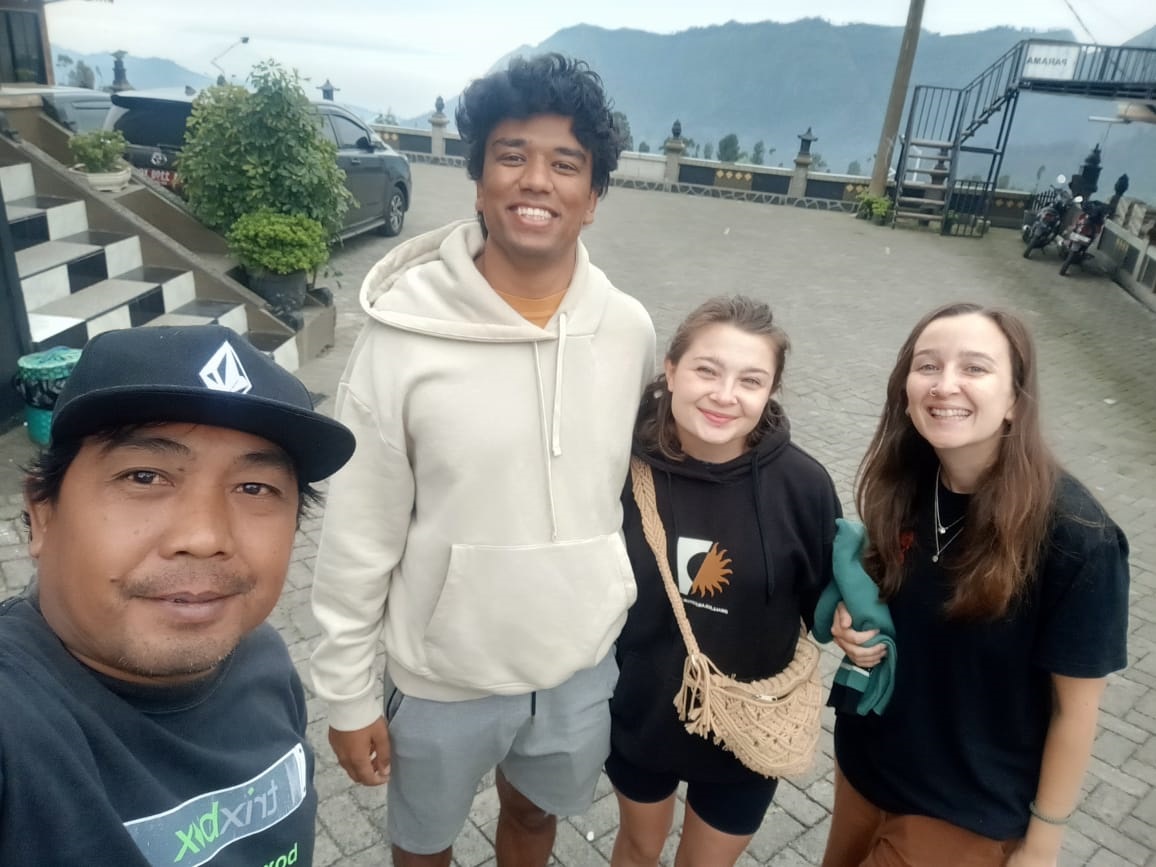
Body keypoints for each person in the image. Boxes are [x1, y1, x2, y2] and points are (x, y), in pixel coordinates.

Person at [309, 53, 656, 865]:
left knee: (534, 821)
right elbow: (358, 527)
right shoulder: (402, 336)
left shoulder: (629, 329)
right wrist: (348, 691)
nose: (536, 180)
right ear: (478, 180)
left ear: (594, 197)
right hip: (439, 673)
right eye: (512, 155)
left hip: (574, 663)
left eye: (565, 163)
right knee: (421, 844)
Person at [0, 325, 356, 866]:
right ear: (41, 514)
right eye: (145, 476)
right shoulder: (19, 729)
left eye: (254, 488)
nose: (205, 537)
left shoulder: (263, 659)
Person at [822, 302, 1130, 866]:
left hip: (963, 813)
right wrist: (855, 617)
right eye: (928, 365)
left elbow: (1076, 711)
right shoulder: (911, 483)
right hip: (865, 773)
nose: (946, 385)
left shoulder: (1077, 539)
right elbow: (895, 591)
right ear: (905, 387)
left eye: (975, 368)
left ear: (1015, 399)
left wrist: (1043, 844)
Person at [608, 296, 841, 866]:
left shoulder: (803, 486)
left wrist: (853, 620)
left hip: (748, 732)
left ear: (770, 393)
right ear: (670, 370)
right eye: (707, 370)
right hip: (639, 714)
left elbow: (826, 611)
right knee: (639, 847)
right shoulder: (618, 467)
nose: (724, 395)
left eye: (751, 380)